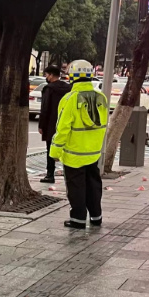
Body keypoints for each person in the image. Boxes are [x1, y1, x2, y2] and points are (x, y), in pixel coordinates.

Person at [50, 60, 108, 230]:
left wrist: (55, 151)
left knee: (76, 187)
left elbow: (62, 128)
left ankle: (78, 219)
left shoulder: (70, 99)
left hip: (74, 153)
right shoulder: (101, 97)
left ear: (72, 76)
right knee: (93, 185)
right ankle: (96, 216)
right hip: (93, 152)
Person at [38, 65, 71, 183]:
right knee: (68, 150)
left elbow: (45, 108)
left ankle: (50, 174)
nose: (46, 77)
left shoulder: (49, 89)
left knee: (51, 149)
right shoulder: (69, 88)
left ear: (51, 75)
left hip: (52, 123)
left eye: (46, 75)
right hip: (67, 122)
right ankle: (69, 174)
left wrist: (41, 125)